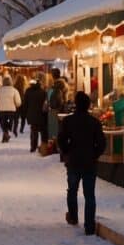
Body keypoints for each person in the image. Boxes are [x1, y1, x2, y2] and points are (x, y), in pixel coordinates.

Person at [57, 92, 106, 236]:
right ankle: (89, 226)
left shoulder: (68, 121)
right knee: (89, 194)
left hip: (73, 161)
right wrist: (95, 154)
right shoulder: (94, 122)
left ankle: (73, 216)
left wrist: (66, 152)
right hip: (90, 162)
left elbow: (61, 139)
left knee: (72, 190)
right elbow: (102, 143)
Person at [0, 76, 22, 143]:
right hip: (11, 110)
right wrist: (16, 105)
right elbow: (18, 102)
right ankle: (6, 134)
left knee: (2, 123)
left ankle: (5, 134)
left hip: (2, 110)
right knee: (9, 123)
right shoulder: (15, 90)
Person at [24, 77, 48, 153]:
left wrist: (25, 114)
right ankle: (43, 146)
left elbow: (25, 104)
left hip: (32, 114)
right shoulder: (43, 92)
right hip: (42, 114)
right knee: (42, 131)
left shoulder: (28, 91)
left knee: (34, 131)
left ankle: (33, 146)